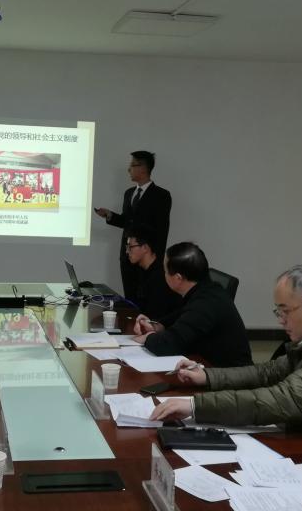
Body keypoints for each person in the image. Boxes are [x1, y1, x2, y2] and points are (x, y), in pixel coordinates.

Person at [150, 265, 302, 455]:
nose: (280, 320)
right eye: (278, 311)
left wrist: (194, 406)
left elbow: (279, 401)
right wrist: (207, 376)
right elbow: (267, 372)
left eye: (286, 311)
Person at [132, 242, 252, 367]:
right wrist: (158, 325)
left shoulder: (205, 303)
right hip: (207, 363)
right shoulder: (206, 289)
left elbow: (168, 345)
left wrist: (148, 338)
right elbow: (183, 314)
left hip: (229, 374)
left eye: (165, 271)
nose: (164, 275)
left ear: (178, 278)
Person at [94, 150, 172, 298]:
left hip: (147, 259)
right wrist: (110, 215)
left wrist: (157, 260)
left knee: (146, 299)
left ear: (143, 168)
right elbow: (127, 221)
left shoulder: (161, 195)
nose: (129, 169)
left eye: (132, 165)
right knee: (129, 298)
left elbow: (162, 229)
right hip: (127, 256)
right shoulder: (129, 193)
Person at [124, 226, 181, 318]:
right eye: (126, 247)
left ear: (145, 248)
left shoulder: (160, 276)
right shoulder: (142, 271)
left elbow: (155, 316)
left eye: (130, 247)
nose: (127, 251)